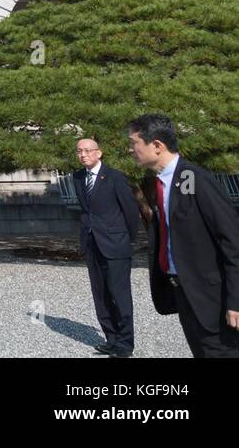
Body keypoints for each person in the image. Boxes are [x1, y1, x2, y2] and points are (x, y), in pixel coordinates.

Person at [129, 114, 239, 358]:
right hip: (185, 293)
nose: (130, 149)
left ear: (157, 145)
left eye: (134, 143)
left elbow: (232, 241)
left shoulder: (195, 179)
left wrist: (236, 301)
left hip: (213, 299)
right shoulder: (170, 182)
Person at [74, 137, 141, 357]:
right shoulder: (78, 177)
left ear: (99, 153)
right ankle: (111, 338)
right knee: (100, 295)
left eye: (87, 150)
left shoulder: (115, 177)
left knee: (119, 295)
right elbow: (86, 211)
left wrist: (126, 239)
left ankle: (125, 344)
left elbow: (131, 212)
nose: (83, 155)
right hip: (92, 244)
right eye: (79, 151)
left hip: (115, 244)